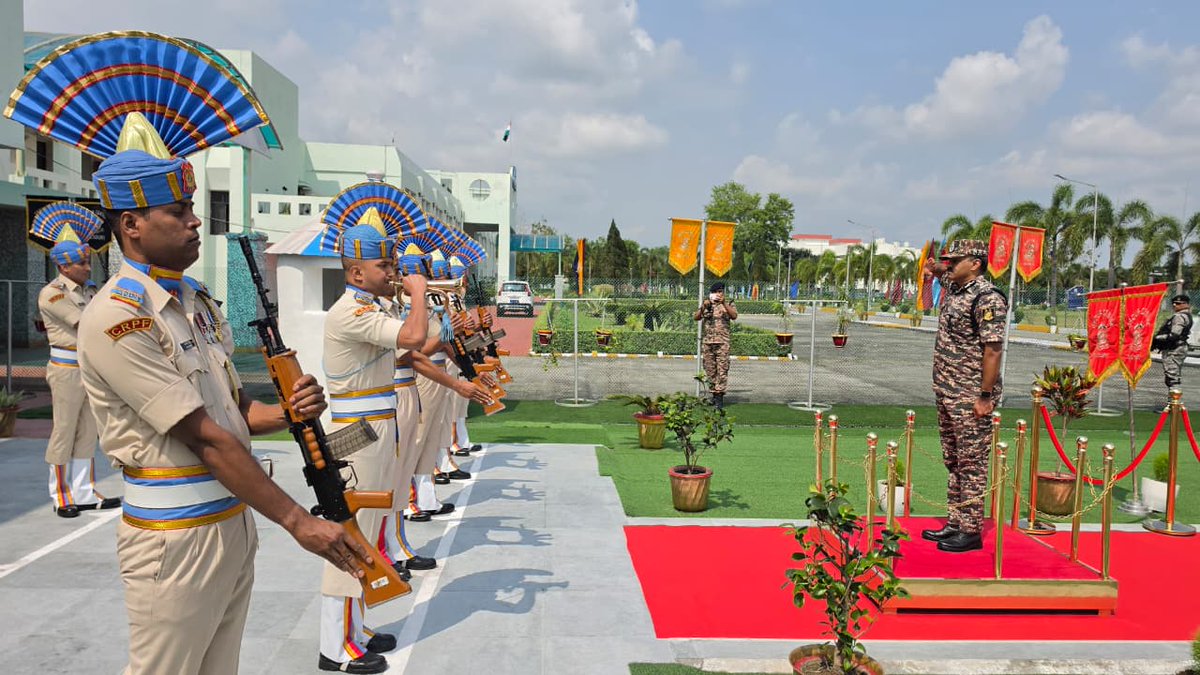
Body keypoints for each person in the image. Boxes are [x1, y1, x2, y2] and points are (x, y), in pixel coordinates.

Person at [8, 32, 369, 675]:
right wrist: (298, 521)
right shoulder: (116, 316)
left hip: (230, 523)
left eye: (194, 208)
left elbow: (232, 410)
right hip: (172, 540)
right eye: (180, 211)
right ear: (131, 225)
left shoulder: (196, 300)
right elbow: (207, 439)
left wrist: (287, 412)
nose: (196, 221)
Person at [319, 203, 434, 674]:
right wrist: (421, 292)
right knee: (350, 533)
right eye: (384, 266)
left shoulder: (369, 306)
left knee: (367, 532)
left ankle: (355, 628)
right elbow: (414, 337)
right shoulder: (351, 311)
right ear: (355, 271)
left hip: (375, 424)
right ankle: (335, 646)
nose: (392, 273)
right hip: (357, 431)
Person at [30, 202, 121, 517]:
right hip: (67, 369)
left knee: (88, 431)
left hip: (89, 369)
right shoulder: (53, 294)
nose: (87, 267)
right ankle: (61, 495)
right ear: (65, 266)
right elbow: (86, 323)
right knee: (64, 431)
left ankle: (84, 491)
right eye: (82, 263)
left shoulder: (90, 289)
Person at [920, 239, 1007, 554]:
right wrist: (932, 265)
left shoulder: (987, 299)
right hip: (947, 390)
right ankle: (955, 522)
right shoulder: (955, 287)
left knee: (972, 463)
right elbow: (937, 269)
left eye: (955, 261)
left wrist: (985, 396)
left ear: (975, 263)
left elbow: (993, 350)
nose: (949, 265)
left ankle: (970, 531)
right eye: (948, 261)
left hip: (970, 396)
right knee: (954, 460)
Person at [694, 281, 737, 408]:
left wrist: (723, 303)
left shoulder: (728, 303)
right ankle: (713, 395)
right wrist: (703, 307)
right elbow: (696, 317)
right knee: (710, 370)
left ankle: (719, 398)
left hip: (722, 343)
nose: (718, 294)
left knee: (722, 370)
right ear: (712, 293)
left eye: (720, 292)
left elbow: (734, 316)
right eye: (716, 292)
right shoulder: (707, 304)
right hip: (708, 343)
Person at [1154, 294, 1193, 389]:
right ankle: (1173, 402)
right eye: (1174, 303)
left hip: (1174, 349)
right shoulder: (1186, 315)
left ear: (1186, 304)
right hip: (1177, 347)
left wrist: (1157, 338)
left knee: (1172, 378)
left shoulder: (1179, 316)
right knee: (1173, 376)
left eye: (1178, 303)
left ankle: (1174, 402)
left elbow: (1174, 335)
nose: (1175, 305)